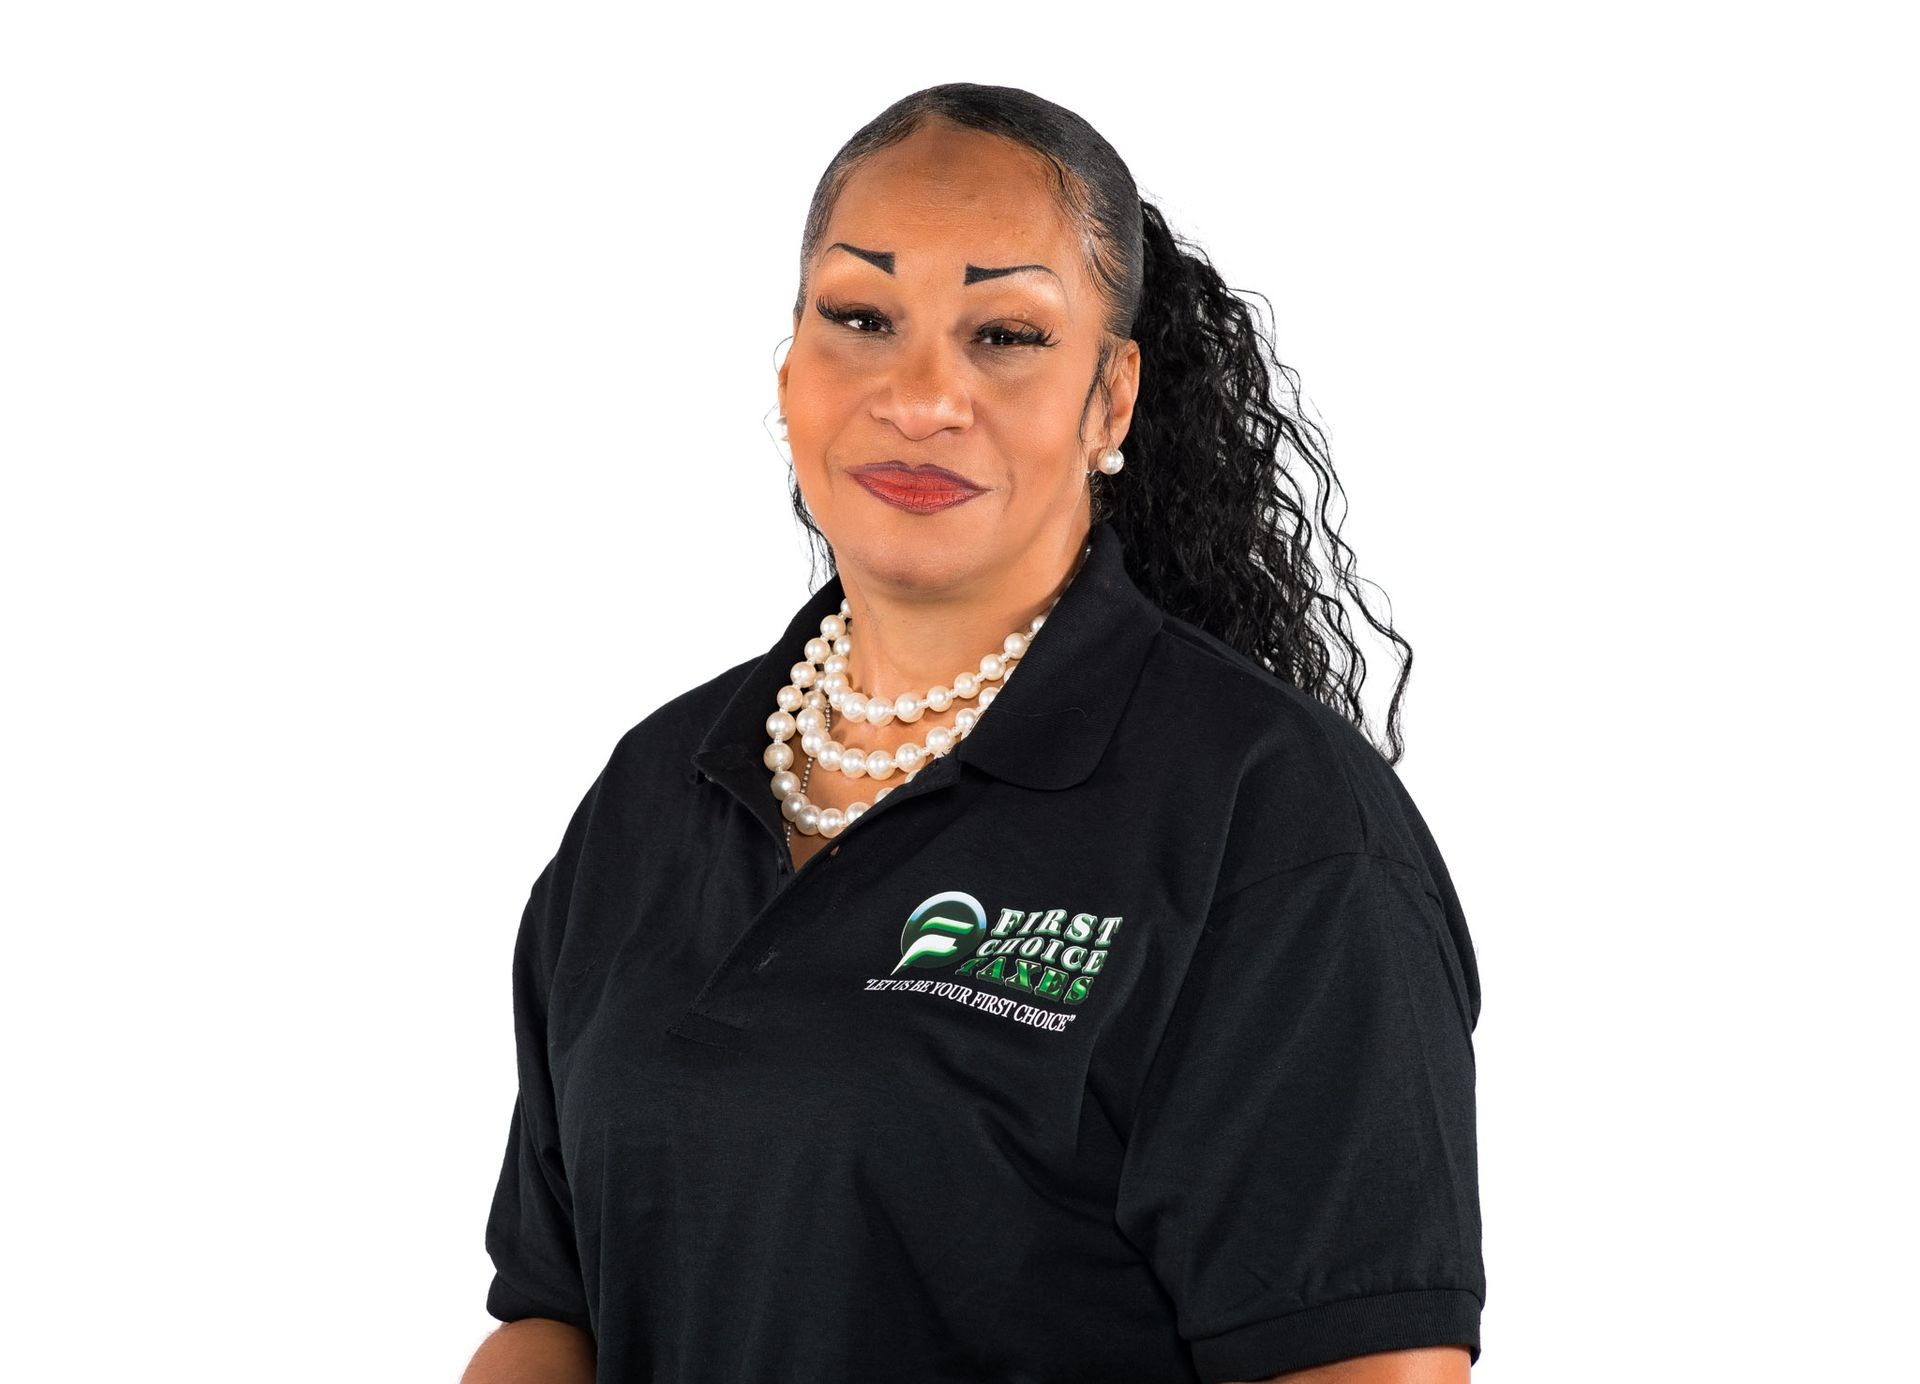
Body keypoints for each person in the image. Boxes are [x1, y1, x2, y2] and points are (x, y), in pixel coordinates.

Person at [461, 82, 1484, 1384]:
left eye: (1003, 333)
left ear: (1111, 398)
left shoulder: (1272, 824)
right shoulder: (656, 790)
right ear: (790, 368)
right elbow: (554, 1316)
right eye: (861, 317)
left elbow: (1360, 1365)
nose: (922, 394)